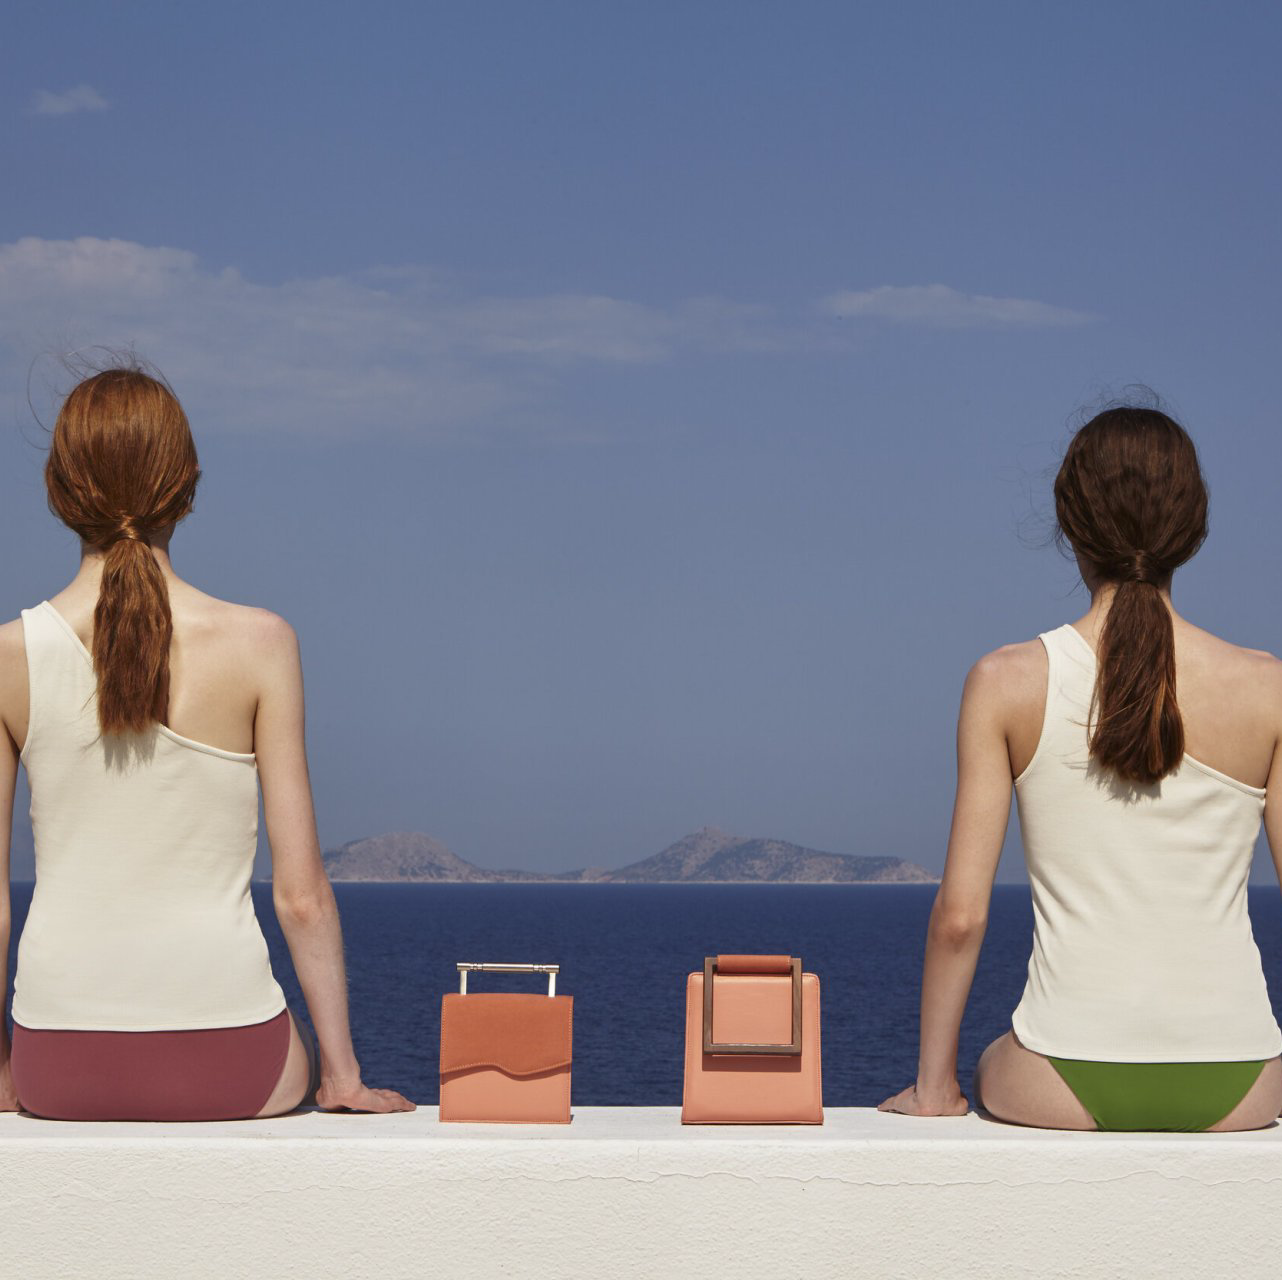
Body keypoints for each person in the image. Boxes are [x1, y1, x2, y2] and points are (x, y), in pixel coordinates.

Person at [0, 365, 414, 1121]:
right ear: (186, 487)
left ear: (60, 492)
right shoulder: (261, 644)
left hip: (56, 1067)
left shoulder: (9, 659)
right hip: (231, 1063)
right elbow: (300, 895)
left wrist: (4, 1070)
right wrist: (342, 1077)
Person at [880, 405, 1282, 1131]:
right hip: (1241, 1081)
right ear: (1193, 528)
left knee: (991, 1062)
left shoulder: (1005, 681)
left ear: (1070, 524)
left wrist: (934, 1089)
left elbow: (962, 918)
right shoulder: (1267, 687)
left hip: (1061, 1077)